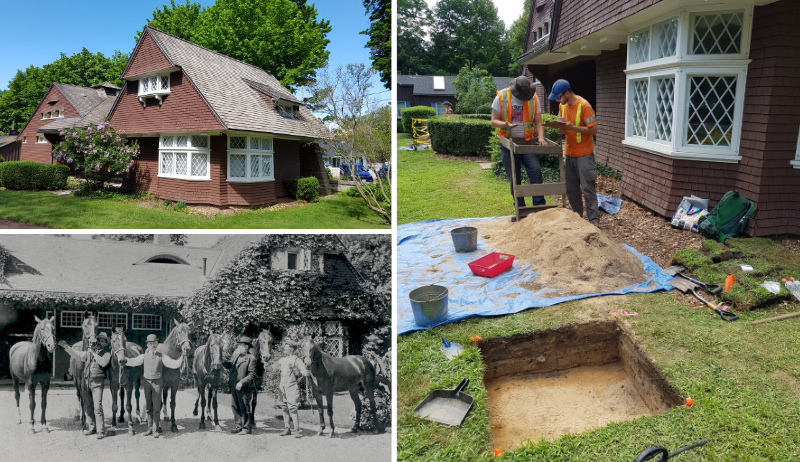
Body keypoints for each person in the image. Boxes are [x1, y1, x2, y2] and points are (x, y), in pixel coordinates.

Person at [491, 76, 548, 221]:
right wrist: (505, 125)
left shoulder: (534, 98)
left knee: (535, 170)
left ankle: (539, 208)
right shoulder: (502, 97)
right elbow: (494, 121)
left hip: (527, 142)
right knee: (515, 177)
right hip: (508, 143)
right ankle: (520, 211)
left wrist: (541, 138)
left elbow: (539, 122)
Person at [549, 79, 599, 224]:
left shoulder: (584, 106)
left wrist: (574, 128)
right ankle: (577, 218)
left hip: (584, 155)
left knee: (588, 188)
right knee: (571, 190)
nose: (558, 101)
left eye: (559, 97)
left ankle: (593, 220)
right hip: (569, 154)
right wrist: (559, 125)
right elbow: (563, 129)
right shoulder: (562, 106)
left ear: (567, 93)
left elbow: (594, 130)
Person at [120, 334, 184, 438]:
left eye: (154, 343)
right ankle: (149, 428)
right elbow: (134, 361)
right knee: (149, 407)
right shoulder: (144, 356)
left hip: (158, 383)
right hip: (147, 383)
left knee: (156, 407)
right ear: (147, 345)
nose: (152, 345)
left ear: (157, 344)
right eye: (150, 343)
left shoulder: (161, 355)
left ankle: (156, 430)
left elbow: (172, 364)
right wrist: (124, 360)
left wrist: (182, 358)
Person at [58, 332, 112, 439]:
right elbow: (76, 354)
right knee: (88, 407)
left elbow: (103, 363)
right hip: (86, 382)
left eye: (102, 341)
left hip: (97, 383)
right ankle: (92, 427)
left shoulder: (106, 354)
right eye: (98, 340)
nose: (99, 342)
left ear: (105, 344)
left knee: (97, 407)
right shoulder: (88, 354)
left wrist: (93, 353)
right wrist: (66, 347)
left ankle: (101, 430)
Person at [265, 340, 309, 438]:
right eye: (285, 346)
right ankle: (287, 428)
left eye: (286, 347)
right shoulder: (282, 360)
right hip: (282, 386)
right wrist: (266, 365)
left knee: (292, 407)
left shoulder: (296, 360)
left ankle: (296, 430)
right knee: (284, 407)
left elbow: (303, 370)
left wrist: (305, 372)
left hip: (292, 386)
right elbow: (272, 368)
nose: (284, 348)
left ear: (292, 349)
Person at [225, 336, 257, 435]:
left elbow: (251, 374)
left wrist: (241, 382)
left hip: (244, 387)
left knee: (245, 407)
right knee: (235, 406)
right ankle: (238, 427)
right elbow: (230, 367)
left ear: (247, 347)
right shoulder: (237, 357)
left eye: (241, 345)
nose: (239, 347)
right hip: (234, 385)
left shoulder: (251, 358)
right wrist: (223, 361)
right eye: (239, 345)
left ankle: (246, 428)